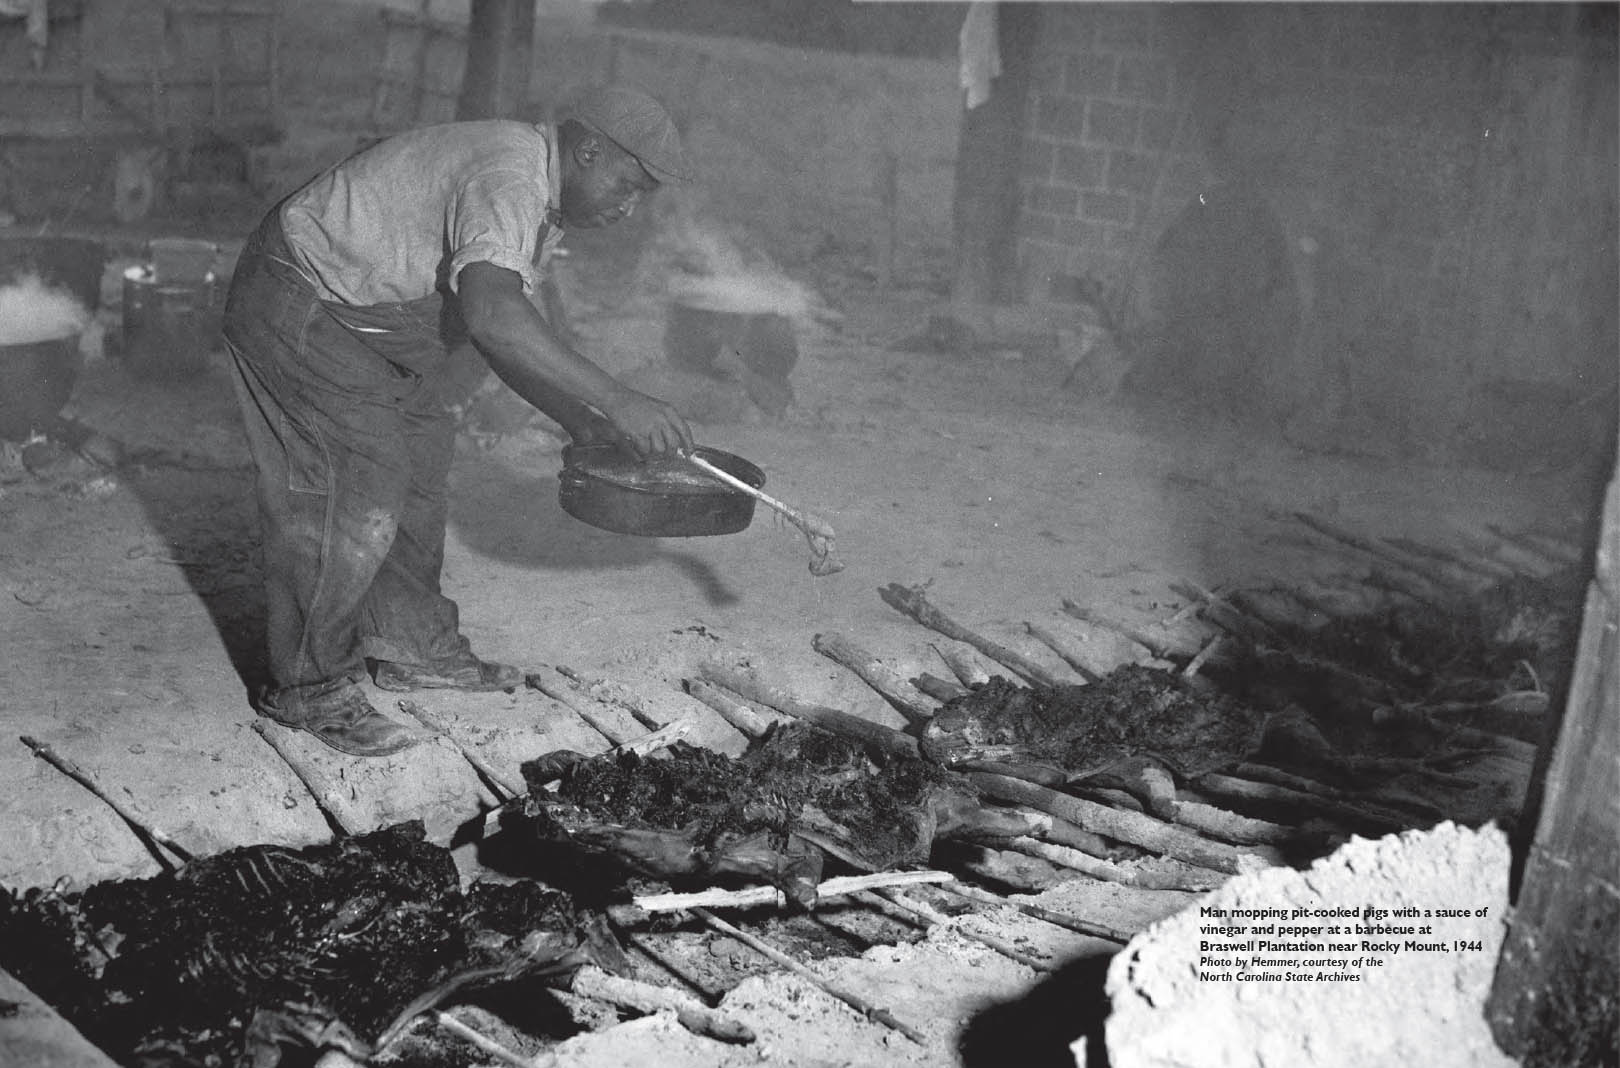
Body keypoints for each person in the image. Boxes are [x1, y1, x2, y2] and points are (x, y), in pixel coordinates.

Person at [222, 84, 694, 758]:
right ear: (589, 150)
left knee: (421, 454)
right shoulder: (509, 177)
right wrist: (620, 399)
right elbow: (493, 317)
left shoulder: (541, 195)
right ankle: (309, 686)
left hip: (361, 317)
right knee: (358, 477)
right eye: (629, 183)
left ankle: (412, 643)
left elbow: (504, 331)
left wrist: (577, 420)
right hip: (297, 297)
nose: (630, 206)